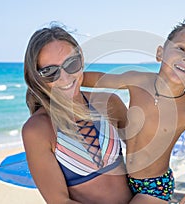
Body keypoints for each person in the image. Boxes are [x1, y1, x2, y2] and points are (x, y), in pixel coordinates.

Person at [83, 17, 185, 204]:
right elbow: (101, 79)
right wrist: (69, 79)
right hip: (123, 176)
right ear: (160, 53)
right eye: (181, 48)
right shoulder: (138, 80)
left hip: (155, 186)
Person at [22, 24, 133, 204]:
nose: (64, 78)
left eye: (71, 64)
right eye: (50, 71)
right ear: (37, 76)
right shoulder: (38, 130)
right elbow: (59, 201)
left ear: (81, 57)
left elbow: (147, 156)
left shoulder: (109, 103)